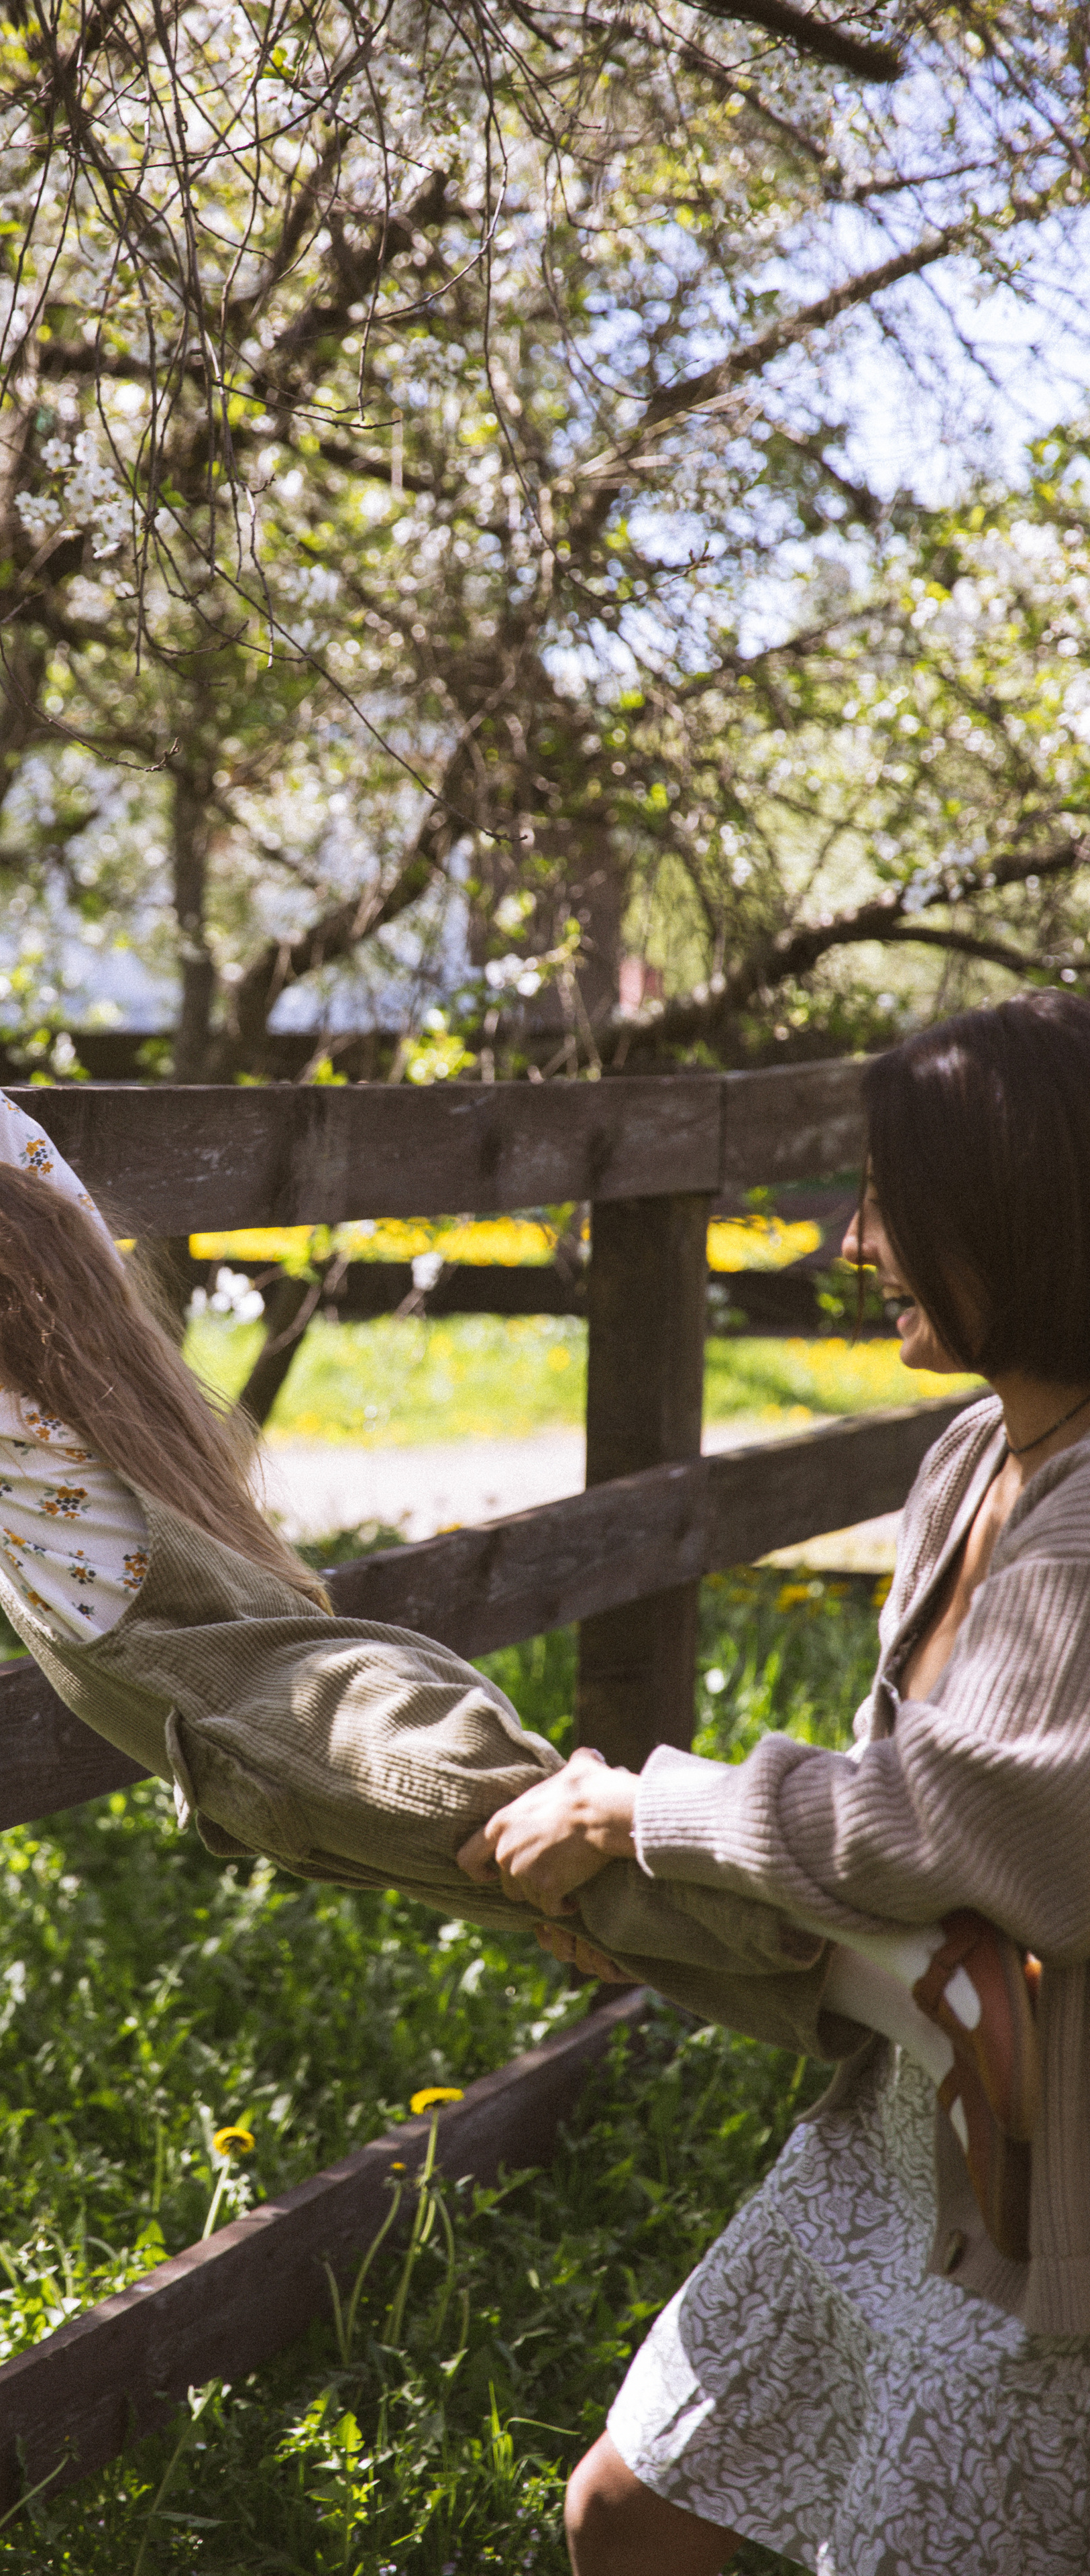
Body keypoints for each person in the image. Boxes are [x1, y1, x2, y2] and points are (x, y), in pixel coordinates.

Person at [0, 1039, 1031, 2244]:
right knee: (569, 1896)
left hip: (295, 1732)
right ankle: (918, 2011)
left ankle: (923, 1980)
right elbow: (81, 1248)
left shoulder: (0, 1434)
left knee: (564, 1865)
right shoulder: (108, 1388)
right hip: (348, 1694)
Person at [461, 990, 1090, 2576]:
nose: (854, 1238)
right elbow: (899, 1839)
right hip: (904, 2124)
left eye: (894, 1201)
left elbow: (954, 1818)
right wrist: (677, 1909)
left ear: (1013, 1216)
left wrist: (641, 1814)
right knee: (628, 2513)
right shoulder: (970, 1463)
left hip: (1048, 2194)